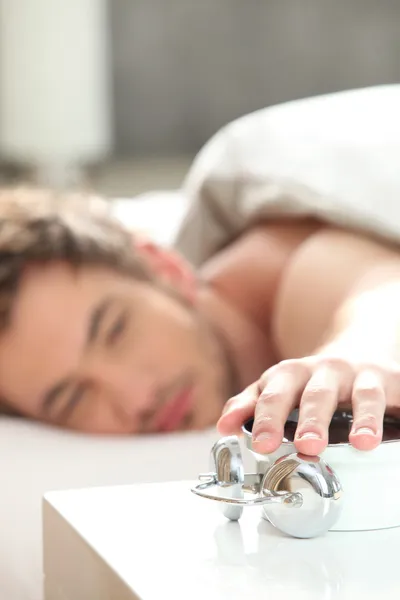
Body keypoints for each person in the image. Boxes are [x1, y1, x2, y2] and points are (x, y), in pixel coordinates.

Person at [2, 85, 400, 457]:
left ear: (163, 267)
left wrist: (353, 361)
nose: (137, 398)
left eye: (115, 330)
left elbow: (376, 293)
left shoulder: (292, 274)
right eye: (72, 398)